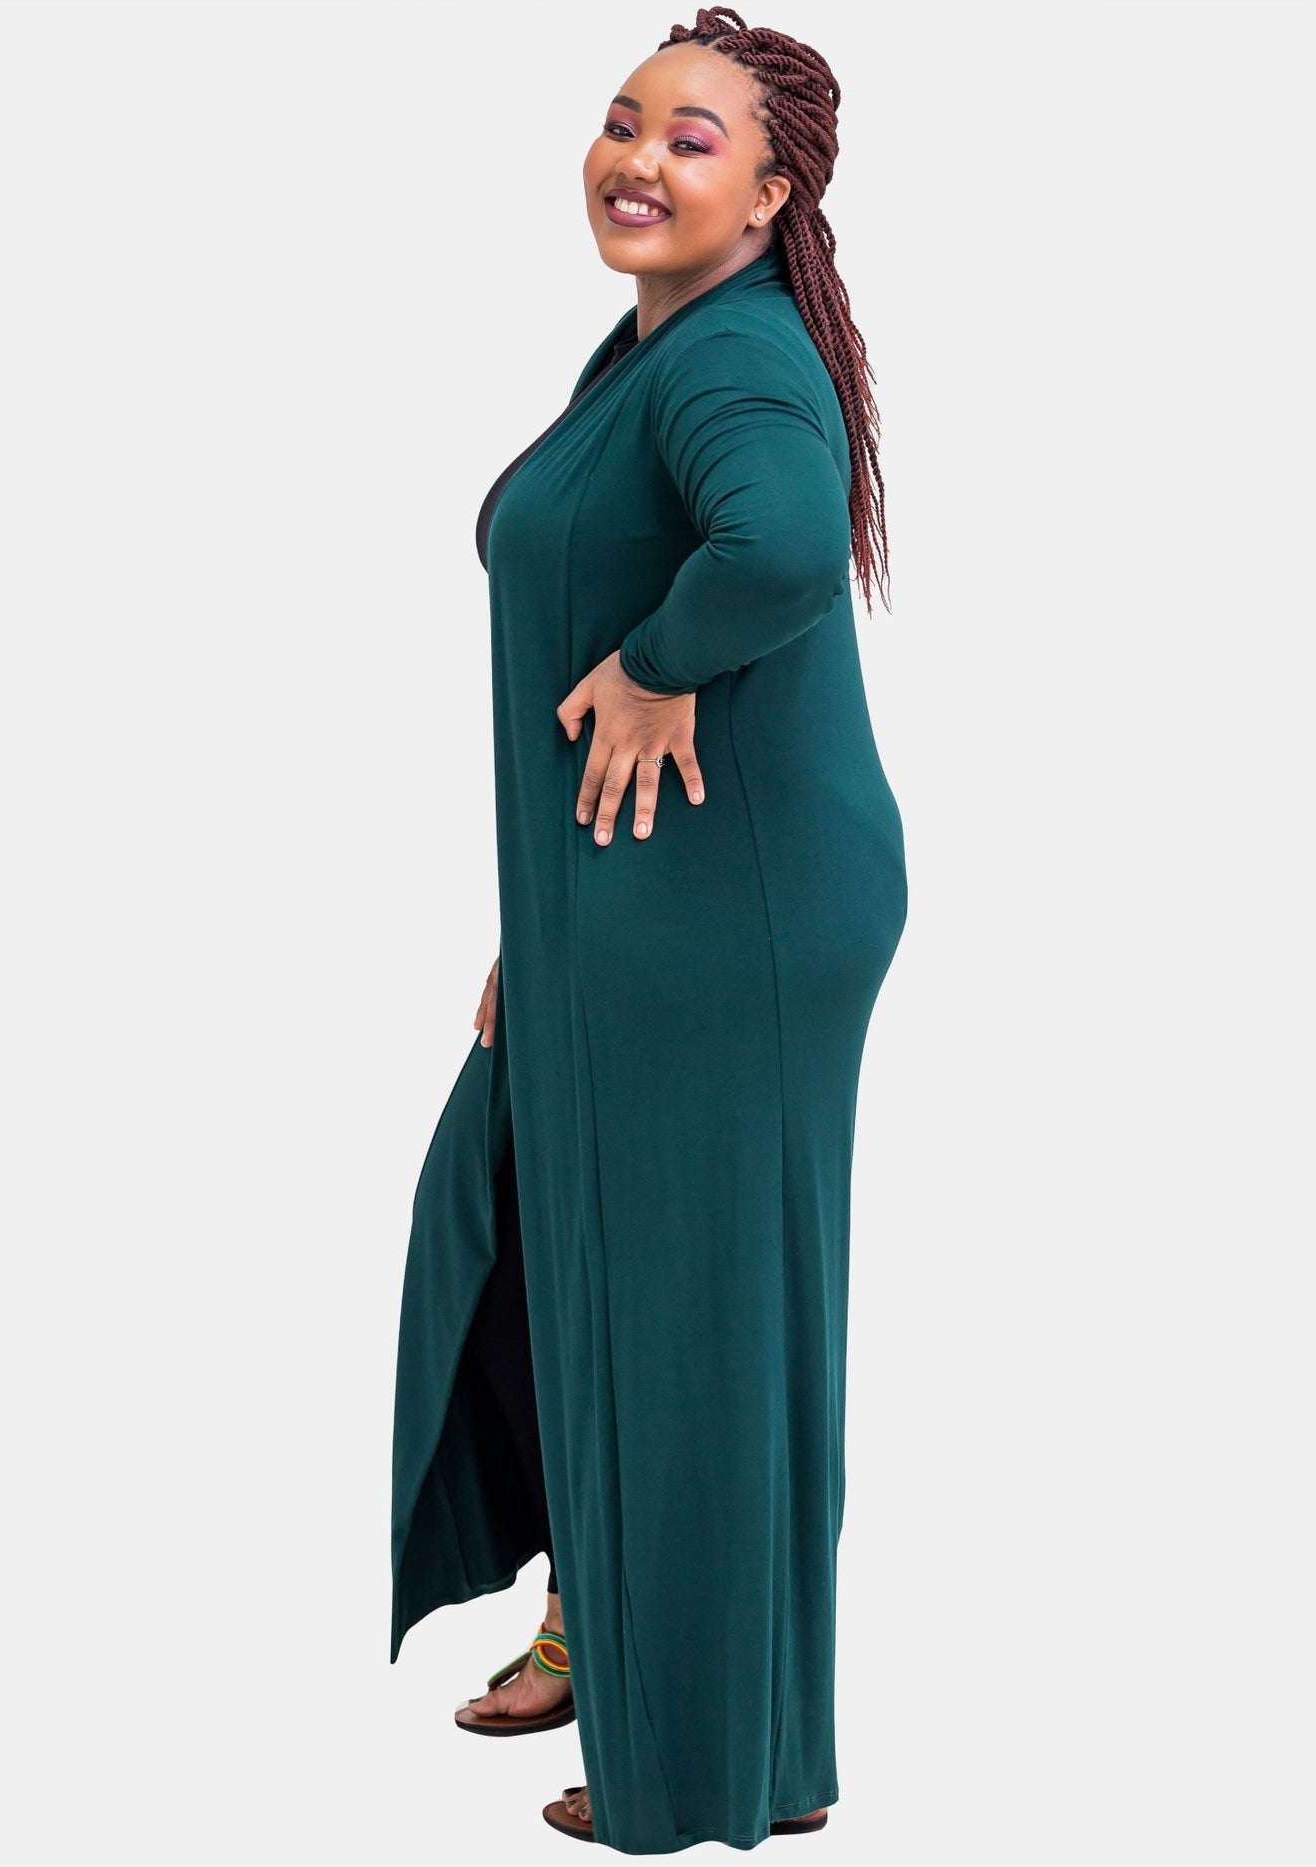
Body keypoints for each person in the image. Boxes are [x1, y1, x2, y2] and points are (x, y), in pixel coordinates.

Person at [389, 8, 909, 1850]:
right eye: (623, 120)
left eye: (692, 140)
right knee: (530, 1232)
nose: (637, 158)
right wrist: (547, 925)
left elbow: (779, 547)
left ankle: (702, 1756)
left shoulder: (734, 360)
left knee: (694, 1324)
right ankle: (600, 1614)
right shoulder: (657, 347)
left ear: (770, 197)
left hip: (729, 918)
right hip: (646, 905)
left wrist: (659, 662)